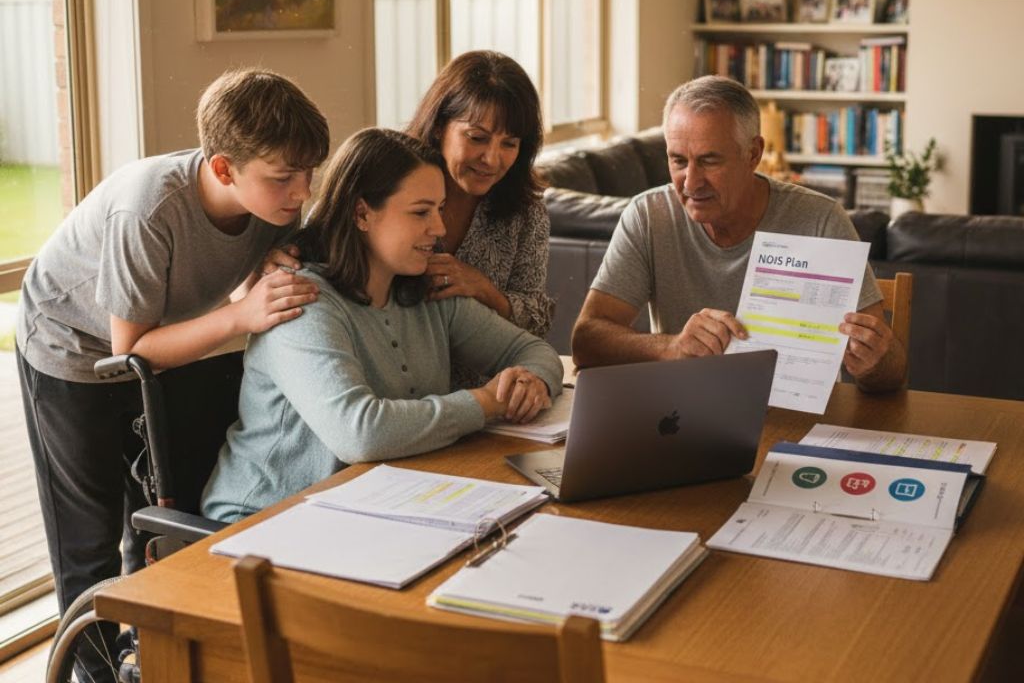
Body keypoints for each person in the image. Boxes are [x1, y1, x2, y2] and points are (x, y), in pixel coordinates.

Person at [16, 68, 328, 678]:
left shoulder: (272, 200)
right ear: (222, 170)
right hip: (69, 347)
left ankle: (152, 660)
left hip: (159, 333)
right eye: (285, 178)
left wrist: (259, 276)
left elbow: (235, 287)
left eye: (309, 173)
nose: (302, 192)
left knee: (159, 514)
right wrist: (242, 314)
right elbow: (127, 350)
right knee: (88, 540)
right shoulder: (148, 209)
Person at [201, 128, 562, 522]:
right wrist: (486, 402)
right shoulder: (298, 300)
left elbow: (536, 351)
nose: (439, 228)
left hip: (372, 510)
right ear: (362, 214)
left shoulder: (427, 288)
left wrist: (532, 382)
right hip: (261, 522)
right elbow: (360, 433)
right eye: (421, 212)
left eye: (440, 209)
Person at [572, 76, 906, 391]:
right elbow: (586, 342)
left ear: (753, 154)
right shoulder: (648, 216)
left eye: (709, 161)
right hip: (685, 417)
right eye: (678, 161)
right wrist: (671, 347)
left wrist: (875, 362)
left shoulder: (821, 220)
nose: (690, 182)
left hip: (796, 423)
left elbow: (891, 375)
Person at [406, 51, 555, 388]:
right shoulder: (391, 183)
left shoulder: (526, 212)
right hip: (401, 398)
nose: (492, 159)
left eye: (509, 143)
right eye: (477, 137)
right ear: (440, 125)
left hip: (486, 401)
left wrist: (484, 289)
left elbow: (537, 323)